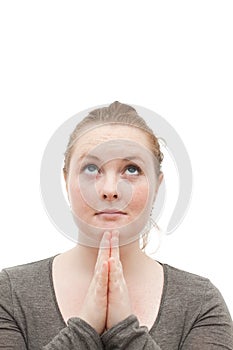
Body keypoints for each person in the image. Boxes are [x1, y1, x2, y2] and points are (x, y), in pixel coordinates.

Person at [0, 101, 232, 349]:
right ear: (66, 179)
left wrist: (125, 330)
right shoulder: (10, 294)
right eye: (91, 168)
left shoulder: (200, 303)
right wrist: (85, 327)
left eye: (131, 169)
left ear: (157, 185)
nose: (110, 190)